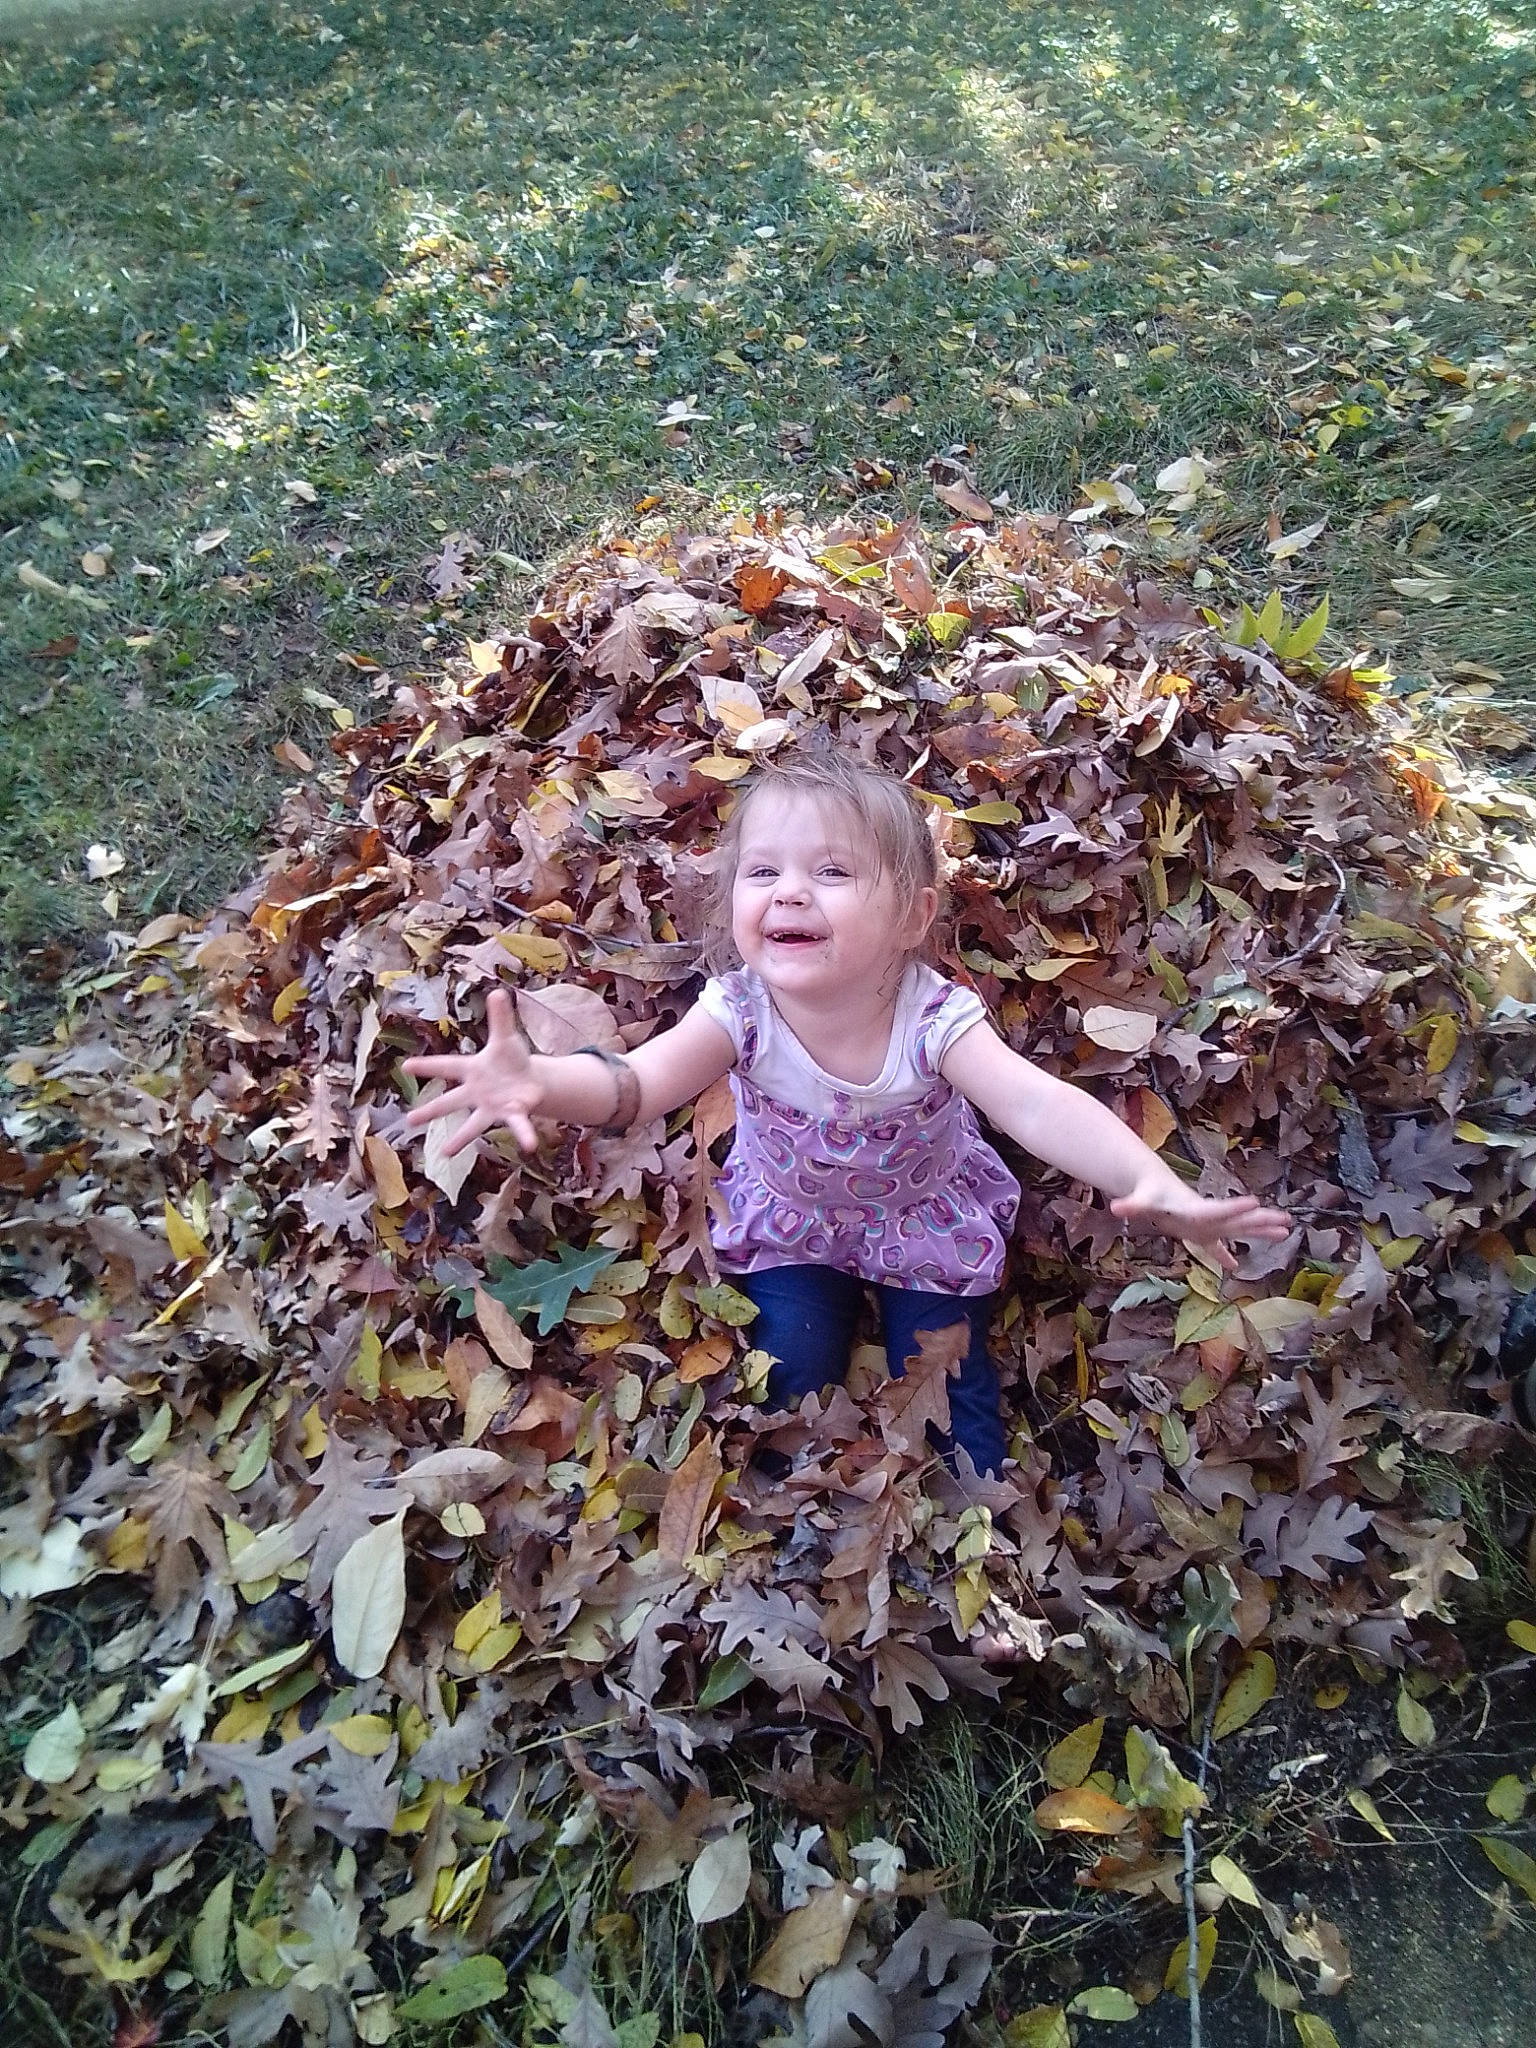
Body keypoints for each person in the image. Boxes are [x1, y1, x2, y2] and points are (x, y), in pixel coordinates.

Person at [402, 751, 1289, 1571]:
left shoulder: (933, 1019)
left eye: (831, 872)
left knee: (949, 1391)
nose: (789, 893)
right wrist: (543, 1082)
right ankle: (790, 1544)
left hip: (922, 1224)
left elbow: (1033, 1103)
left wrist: (1149, 1181)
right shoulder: (738, 1012)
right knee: (791, 1372)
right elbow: (637, 1085)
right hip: (792, 1224)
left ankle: (981, 1553)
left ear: (912, 916)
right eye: (763, 872)